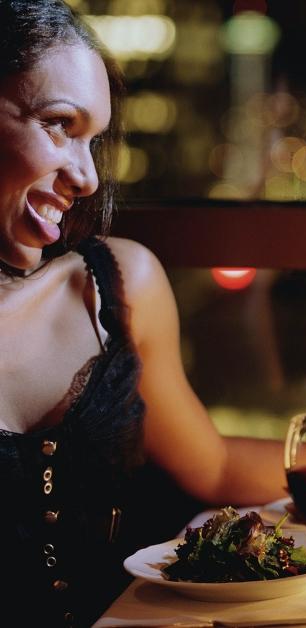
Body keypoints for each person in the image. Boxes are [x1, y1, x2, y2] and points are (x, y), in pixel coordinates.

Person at [0, 1, 287, 624]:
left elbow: (211, 465)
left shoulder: (117, 287)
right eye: (58, 124)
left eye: (93, 140)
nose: (86, 177)